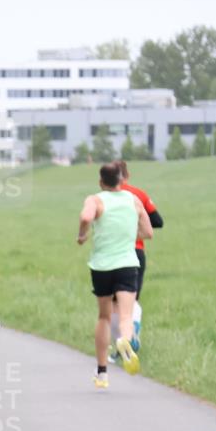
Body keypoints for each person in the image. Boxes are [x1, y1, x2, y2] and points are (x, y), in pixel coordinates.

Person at [78, 161, 153, 387]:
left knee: (104, 317)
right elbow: (148, 232)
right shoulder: (134, 200)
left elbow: (85, 217)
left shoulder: (95, 200)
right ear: (121, 180)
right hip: (128, 264)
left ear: (101, 181)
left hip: (101, 266)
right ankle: (124, 341)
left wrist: (82, 235)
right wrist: (131, 232)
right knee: (126, 315)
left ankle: (102, 373)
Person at [117, 160, 164, 349]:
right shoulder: (139, 194)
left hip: (115, 253)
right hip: (137, 252)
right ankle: (133, 330)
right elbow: (158, 221)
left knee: (115, 304)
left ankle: (123, 343)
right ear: (127, 176)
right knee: (132, 298)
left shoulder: (104, 197)